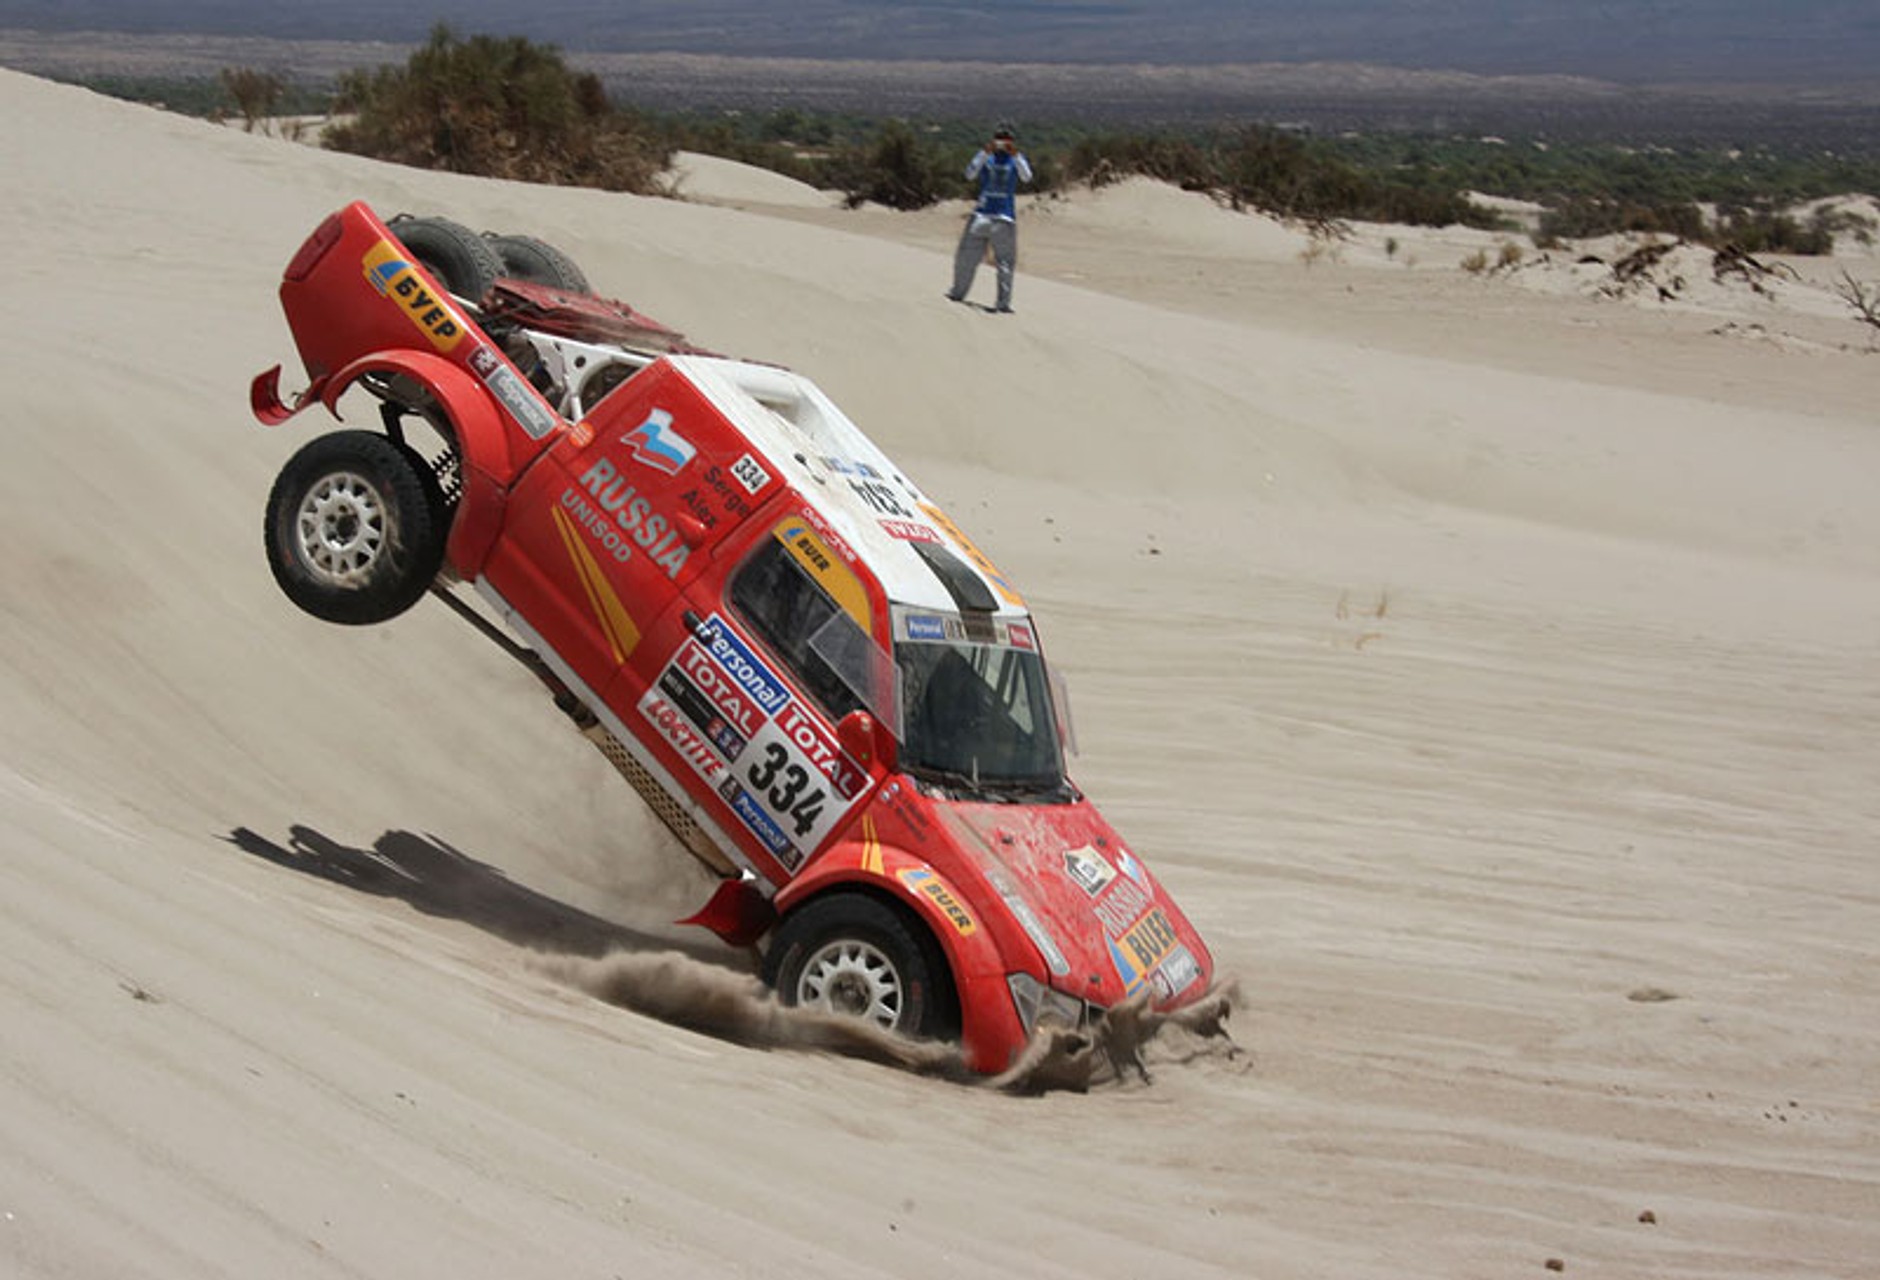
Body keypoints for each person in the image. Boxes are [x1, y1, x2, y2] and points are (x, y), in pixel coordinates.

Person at [946, 124, 1032, 313]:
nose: (1002, 143)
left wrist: (1016, 155)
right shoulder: (987, 157)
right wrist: (984, 153)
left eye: (1006, 139)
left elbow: (1027, 177)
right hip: (982, 215)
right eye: (999, 139)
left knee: (1005, 264)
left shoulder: (1015, 160)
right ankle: (957, 293)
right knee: (966, 258)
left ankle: (1003, 303)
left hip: (1004, 217)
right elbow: (970, 174)